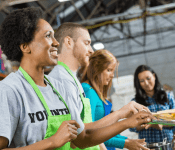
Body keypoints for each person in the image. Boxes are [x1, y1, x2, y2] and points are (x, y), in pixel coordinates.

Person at [0, 7, 154, 149]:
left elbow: (83, 138)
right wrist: (52, 141)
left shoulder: (58, 87)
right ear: (25, 46)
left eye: (54, 36)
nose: (56, 43)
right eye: (48, 36)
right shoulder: (10, 90)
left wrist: (127, 122)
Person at [49, 22, 152, 150]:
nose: (91, 50)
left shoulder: (72, 81)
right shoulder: (63, 81)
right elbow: (82, 136)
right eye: (86, 43)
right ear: (69, 42)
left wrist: (124, 118)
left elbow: (84, 130)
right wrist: (122, 117)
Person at [80, 49, 147, 150]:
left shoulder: (96, 91)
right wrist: (124, 143)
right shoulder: (88, 90)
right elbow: (91, 133)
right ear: (96, 68)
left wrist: (127, 140)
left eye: (112, 71)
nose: (112, 75)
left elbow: (106, 130)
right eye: (109, 70)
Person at [129, 65, 175, 146]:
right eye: (142, 81)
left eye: (148, 78)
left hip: (169, 145)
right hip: (148, 146)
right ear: (138, 83)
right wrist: (148, 123)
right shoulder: (135, 103)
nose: (146, 83)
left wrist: (161, 123)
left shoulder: (167, 96)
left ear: (154, 76)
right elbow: (131, 126)